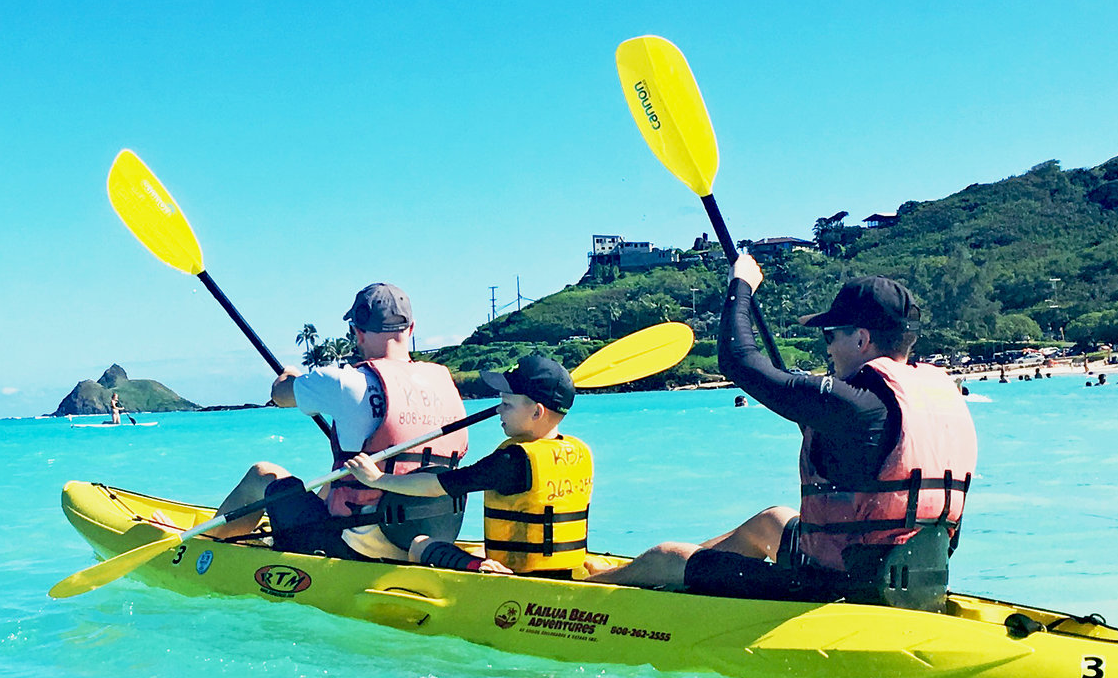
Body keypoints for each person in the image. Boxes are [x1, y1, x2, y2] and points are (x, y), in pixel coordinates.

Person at [594, 260, 975, 610]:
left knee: (666, 556)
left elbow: (738, 360)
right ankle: (697, 576)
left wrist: (740, 284)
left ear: (861, 340)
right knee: (773, 521)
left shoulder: (854, 405)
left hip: (835, 590)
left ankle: (589, 589)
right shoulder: (935, 398)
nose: (827, 347)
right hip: (918, 581)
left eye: (830, 335)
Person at [202, 283, 471, 559]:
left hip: (353, 546)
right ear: (411, 329)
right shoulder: (445, 383)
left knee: (262, 474)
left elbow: (280, 394)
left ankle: (202, 547)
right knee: (337, 477)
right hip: (425, 537)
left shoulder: (347, 382)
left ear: (356, 332)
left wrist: (290, 376)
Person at [336, 352, 590, 576]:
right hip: (565, 566)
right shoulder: (578, 451)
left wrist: (377, 479)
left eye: (507, 404)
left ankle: (477, 570)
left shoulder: (510, 460)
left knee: (420, 544)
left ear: (537, 412)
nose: (499, 411)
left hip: (516, 575)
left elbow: (436, 486)